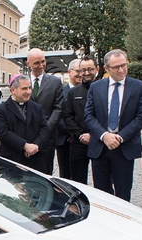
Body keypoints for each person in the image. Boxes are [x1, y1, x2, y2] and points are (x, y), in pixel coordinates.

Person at [83, 49, 142, 201]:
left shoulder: (139, 87)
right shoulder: (96, 87)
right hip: (100, 148)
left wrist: (119, 137)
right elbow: (89, 115)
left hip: (124, 147)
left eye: (124, 65)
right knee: (101, 194)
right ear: (106, 69)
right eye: (116, 67)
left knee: (123, 194)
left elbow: (141, 117)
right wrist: (104, 136)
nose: (121, 70)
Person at [0, 75, 50, 172]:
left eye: (29, 88)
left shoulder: (37, 108)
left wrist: (36, 146)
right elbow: (3, 133)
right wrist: (25, 146)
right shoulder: (1, 110)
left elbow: (44, 128)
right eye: (24, 88)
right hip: (13, 159)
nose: (28, 92)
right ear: (13, 90)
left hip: (36, 159)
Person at [27, 48, 63, 175]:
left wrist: (45, 130)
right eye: (37, 63)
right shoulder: (21, 82)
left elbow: (58, 108)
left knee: (45, 174)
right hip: (26, 137)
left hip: (47, 138)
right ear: (28, 64)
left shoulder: (55, 82)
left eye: (43, 61)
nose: (41, 65)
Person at [62, 56, 97, 184]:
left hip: (99, 141)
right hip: (78, 142)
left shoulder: (104, 90)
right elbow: (68, 116)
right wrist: (80, 134)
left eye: (90, 69)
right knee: (77, 182)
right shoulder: (73, 92)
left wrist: (93, 134)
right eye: (83, 70)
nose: (86, 73)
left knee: (102, 183)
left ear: (97, 69)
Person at [56, 59, 82, 179]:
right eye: (77, 71)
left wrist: (79, 134)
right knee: (65, 176)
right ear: (69, 72)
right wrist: (72, 133)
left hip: (82, 140)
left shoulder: (88, 91)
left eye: (82, 71)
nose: (80, 74)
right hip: (64, 140)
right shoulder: (60, 91)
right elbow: (58, 114)